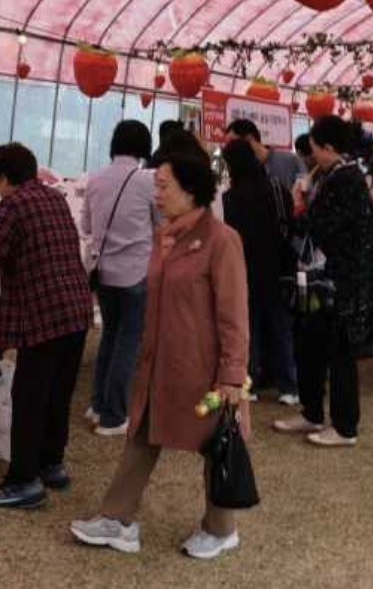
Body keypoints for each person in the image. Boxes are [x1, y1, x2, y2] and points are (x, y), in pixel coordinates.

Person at [69, 144, 250, 560]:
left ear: (191, 189)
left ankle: (222, 528)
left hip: (202, 368)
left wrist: (231, 376)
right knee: (141, 434)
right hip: (158, 363)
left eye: (164, 185)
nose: (157, 193)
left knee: (217, 442)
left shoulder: (222, 241)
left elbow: (235, 315)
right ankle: (117, 519)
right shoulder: (162, 236)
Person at [0, 143, 91, 509]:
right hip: (76, 309)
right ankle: (51, 464)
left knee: (29, 398)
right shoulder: (54, 198)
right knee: (58, 393)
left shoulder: (14, 203)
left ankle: (24, 480)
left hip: (43, 315)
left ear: (5, 178)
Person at [273, 116, 373, 446]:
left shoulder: (345, 179)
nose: (312, 155)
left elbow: (322, 227)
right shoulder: (334, 175)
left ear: (329, 148)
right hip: (324, 277)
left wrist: (298, 205)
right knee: (312, 345)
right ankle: (311, 412)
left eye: (316, 148)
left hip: (341, 281)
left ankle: (345, 427)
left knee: (340, 354)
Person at [81, 121, 157, 436]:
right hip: (136, 272)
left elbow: (85, 226)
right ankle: (113, 416)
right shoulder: (147, 181)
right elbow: (161, 221)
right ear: (143, 145)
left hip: (103, 272)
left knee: (110, 337)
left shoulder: (94, 179)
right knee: (128, 342)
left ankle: (98, 406)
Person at [221, 139, 297, 405]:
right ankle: (288, 385)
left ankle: (250, 384)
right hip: (277, 266)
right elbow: (289, 223)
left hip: (244, 269)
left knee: (248, 328)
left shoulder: (230, 198)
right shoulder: (276, 187)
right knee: (280, 327)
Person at [224, 117, 300, 192]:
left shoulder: (290, 160)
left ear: (249, 139)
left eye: (232, 143)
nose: (229, 149)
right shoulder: (243, 176)